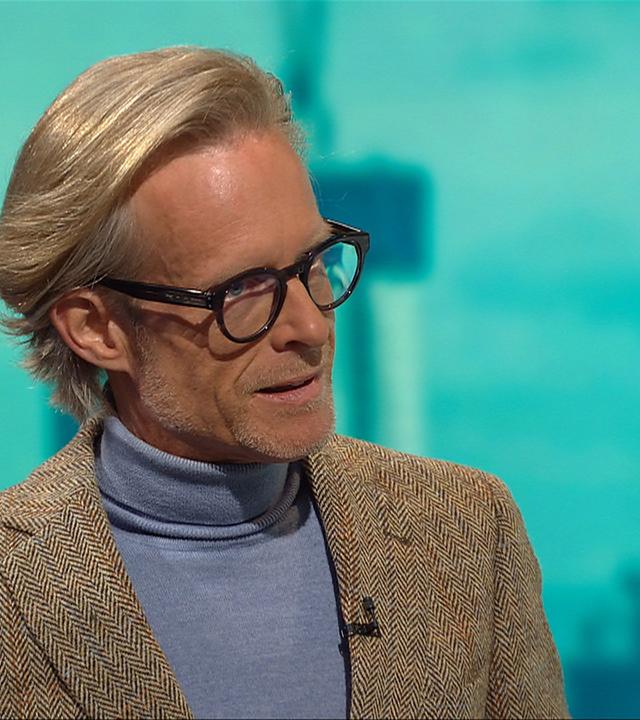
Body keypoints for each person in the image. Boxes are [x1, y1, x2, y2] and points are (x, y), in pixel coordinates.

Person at [0, 47, 568, 720]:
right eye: (242, 289)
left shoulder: (466, 530)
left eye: (315, 262)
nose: (310, 325)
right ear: (97, 330)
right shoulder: (14, 586)